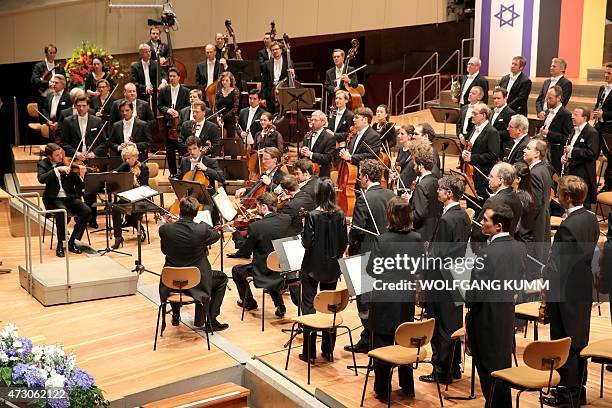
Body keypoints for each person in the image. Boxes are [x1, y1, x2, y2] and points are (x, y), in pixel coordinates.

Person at [542, 176, 599, 406]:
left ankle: (566, 395)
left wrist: (544, 271)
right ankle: (579, 392)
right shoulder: (592, 219)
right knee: (579, 339)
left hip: (565, 291)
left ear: (567, 198)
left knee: (564, 341)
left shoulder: (567, 226)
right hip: (583, 285)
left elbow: (558, 265)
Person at [466, 202, 526, 408]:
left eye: (486, 220)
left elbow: (474, 295)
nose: (482, 223)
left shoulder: (486, 254)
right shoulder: (519, 248)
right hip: (506, 316)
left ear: (498, 226)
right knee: (501, 368)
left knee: (489, 372)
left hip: (486, 320)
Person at [366, 197, 422, 400]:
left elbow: (372, 270)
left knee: (382, 343)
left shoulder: (382, 240)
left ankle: (382, 389)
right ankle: (407, 387)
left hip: (384, 298)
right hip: (405, 297)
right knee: (404, 339)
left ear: (390, 215)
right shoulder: (416, 238)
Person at [421, 176, 470, 386]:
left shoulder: (446, 219)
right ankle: (454, 366)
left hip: (441, 279)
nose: (437, 192)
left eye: (440, 189)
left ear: (449, 193)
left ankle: (441, 370)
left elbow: (437, 255)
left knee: (441, 325)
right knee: (452, 324)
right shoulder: (464, 216)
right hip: (458, 276)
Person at [345, 159, 395, 353]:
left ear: (366, 177)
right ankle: (370, 337)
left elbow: (357, 229)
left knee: (363, 300)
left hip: (366, 253)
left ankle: (370, 338)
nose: (358, 179)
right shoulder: (391, 194)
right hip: (388, 252)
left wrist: (350, 243)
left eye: (360, 176)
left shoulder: (364, 198)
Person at [159, 196, 228, 332]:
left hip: (171, 282)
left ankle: (176, 315)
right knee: (222, 278)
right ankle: (211, 320)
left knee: (177, 270)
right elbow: (216, 234)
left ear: (179, 211)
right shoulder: (202, 230)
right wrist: (205, 224)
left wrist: (173, 223)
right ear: (196, 213)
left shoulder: (165, 229)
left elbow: (164, 250)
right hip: (196, 283)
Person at [299, 178, 348, 363]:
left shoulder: (312, 216)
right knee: (330, 307)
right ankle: (328, 350)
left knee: (309, 307)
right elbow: (344, 242)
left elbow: (307, 243)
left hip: (311, 267)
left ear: (318, 195)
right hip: (333, 268)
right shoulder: (341, 215)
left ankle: (309, 352)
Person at [231, 192, 292, 317]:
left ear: (264, 207)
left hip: (263, 271)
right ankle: (280, 305)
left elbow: (245, 251)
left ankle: (249, 302)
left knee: (237, 271)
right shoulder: (286, 219)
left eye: (258, 206)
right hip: (282, 267)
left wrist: (237, 236)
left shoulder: (255, 227)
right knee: (272, 269)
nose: (256, 208)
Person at [59, 94, 106, 228]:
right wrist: (76, 153)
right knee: (76, 191)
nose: (81, 108)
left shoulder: (97, 121)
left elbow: (104, 142)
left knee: (91, 191)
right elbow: (63, 142)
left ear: (88, 106)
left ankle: (93, 219)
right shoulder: (68, 121)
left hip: (91, 161)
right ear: (75, 107)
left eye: (83, 106)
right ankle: (80, 219)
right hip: (75, 161)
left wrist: (94, 153)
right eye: (78, 106)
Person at [37, 143, 91, 257]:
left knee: (87, 210)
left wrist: (81, 176)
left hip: (69, 197)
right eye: (57, 155)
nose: (61, 157)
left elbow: (79, 185)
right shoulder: (43, 164)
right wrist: (57, 170)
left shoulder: (67, 163)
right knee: (62, 211)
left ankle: (72, 241)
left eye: (61, 154)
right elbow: (41, 179)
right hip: (53, 199)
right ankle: (60, 243)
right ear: (50, 156)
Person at [470, 162, 523, 250]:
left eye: (491, 176)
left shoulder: (493, 201)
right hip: (508, 247)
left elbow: (478, 233)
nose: (488, 178)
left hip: (490, 249)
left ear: (500, 180)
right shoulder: (517, 198)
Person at [459, 102, 500, 204]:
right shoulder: (474, 128)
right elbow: (469, 145)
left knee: (478, 203)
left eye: (475, 113)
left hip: (481, 175)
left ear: (483, 115)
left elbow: (493, 155)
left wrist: (472, 158)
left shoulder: (492, 132)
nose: (471, 115)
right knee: (470, 201)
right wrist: (465, 152)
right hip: (470, 173)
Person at [111, 145, 149, 248]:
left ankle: (141, 230)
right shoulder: (124, 167)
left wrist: (135, 181)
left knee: (132, 213)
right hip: (128, 197)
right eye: (126, 159)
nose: (129, 160)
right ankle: (118, 237)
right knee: (115, 208)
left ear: (136, 157)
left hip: (141, 197)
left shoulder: (143, 168)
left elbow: (144, 186)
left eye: (130, 158)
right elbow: (115, 174)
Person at [522, 138, 553, 262]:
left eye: (528, 148)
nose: (524, 150)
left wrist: (523, 229)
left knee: (532, 262)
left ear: (537, 153)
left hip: (534, 226)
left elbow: (534, 205)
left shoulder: (534, 173)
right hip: (542, 219)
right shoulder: (544, 168)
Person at [561, 106, 599, 207]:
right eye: (573, 114)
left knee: (582, 202)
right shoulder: (573, 130)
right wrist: (564, 156)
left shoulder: (592, 132)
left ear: (584, 118)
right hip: (571, 170)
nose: (572, 117)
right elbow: (568, 148)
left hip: (583, 173)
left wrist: (573, 151)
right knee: (570, 201)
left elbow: (592, 153)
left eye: (576, 115)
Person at [407, 141, 442, 243]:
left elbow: (419, 213)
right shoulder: (436, 181)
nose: (413, 167)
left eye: (414, 164)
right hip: (433, 229)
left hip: (421, 233)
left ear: (420, 165)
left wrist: (403, 216)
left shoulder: (422, 186)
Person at [158, 67, 191, 175]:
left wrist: (179, 113)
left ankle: (182, 172)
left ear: (179, 77)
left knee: (182, 149)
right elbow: (159, 105)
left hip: (181, 125)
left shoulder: (186, 91)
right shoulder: (164, 90)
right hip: (168, 124)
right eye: (170, 76)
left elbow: (188, 107)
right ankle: (172, 173)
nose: (171, 78)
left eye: (174, 76)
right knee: (170, 151)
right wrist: (168, 110)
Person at [177, 136, 225, 201]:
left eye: (194, 148)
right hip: (187, 197)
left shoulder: (210, 161)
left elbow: (221, 177)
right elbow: (179, 177)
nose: (192, 152)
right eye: (189, 149)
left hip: (205, 197)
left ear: (200, 147)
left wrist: (206, 169)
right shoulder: (184, 160)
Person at [539, 85, 572, 176]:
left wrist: (549, 133)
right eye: (547, 98)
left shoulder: (566, 114)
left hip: (556, 153)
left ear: (559, 98)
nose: (548, 101)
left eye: (550, 98)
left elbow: (567, 138)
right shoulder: (548, 112)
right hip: (545, 150)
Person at [299, 110, 335, 178]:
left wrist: (311, 154)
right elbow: (302, 155)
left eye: (315, 120)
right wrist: (301, 151)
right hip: (307, 173)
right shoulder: (307, 136)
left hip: (321, 174)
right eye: (311, 120)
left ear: (323, 122)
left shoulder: (329, 137)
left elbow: (328, 157)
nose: (313, 122)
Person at [593, 62, 612, 192]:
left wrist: (603, 114)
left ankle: (608, 186)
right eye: (605, 72)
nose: (606, 75)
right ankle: (591, 182)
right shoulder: (602, 88)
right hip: (598, 127)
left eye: (609, 73)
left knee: (610, 157)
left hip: (610, 130)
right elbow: (598, 105)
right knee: (592, 154)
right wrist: (596, 112)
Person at [261, 41, 291, 113]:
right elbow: (264, 82)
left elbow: (292, 80)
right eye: (273, 50)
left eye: (276, 49)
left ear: (281, 50)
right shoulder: (266, 64)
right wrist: (263, 98)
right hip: (270, 95)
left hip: (283, 94)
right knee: (271, 115)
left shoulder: (288, 62)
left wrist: (293, 75)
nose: (275, 51)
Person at [512, 161, 538, 246]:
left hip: (519, 243)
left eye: (511, 175)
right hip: (527, 241)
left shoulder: (519, 198)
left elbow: (515, 228)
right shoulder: (529, 194)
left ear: (518, 180)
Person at [490, 87, 516, 159]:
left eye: (498, 98)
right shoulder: (492, 111)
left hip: (501, 147)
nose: (496, 100)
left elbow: (508, 132)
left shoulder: (510, 113)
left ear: (505, 98)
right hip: (490, 146)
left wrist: (491, 133)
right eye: (494, 98)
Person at [214, 71, 240, 139]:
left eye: (226, 80)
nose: (224, 82)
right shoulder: (219, 92)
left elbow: (235, 108)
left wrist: (224, 118)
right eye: (223, 80)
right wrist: (218, 117)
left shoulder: (235, 92)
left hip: (230, 120)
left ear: (230, 81)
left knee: (230, 140)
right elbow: (216, 106)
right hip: (219, 119)